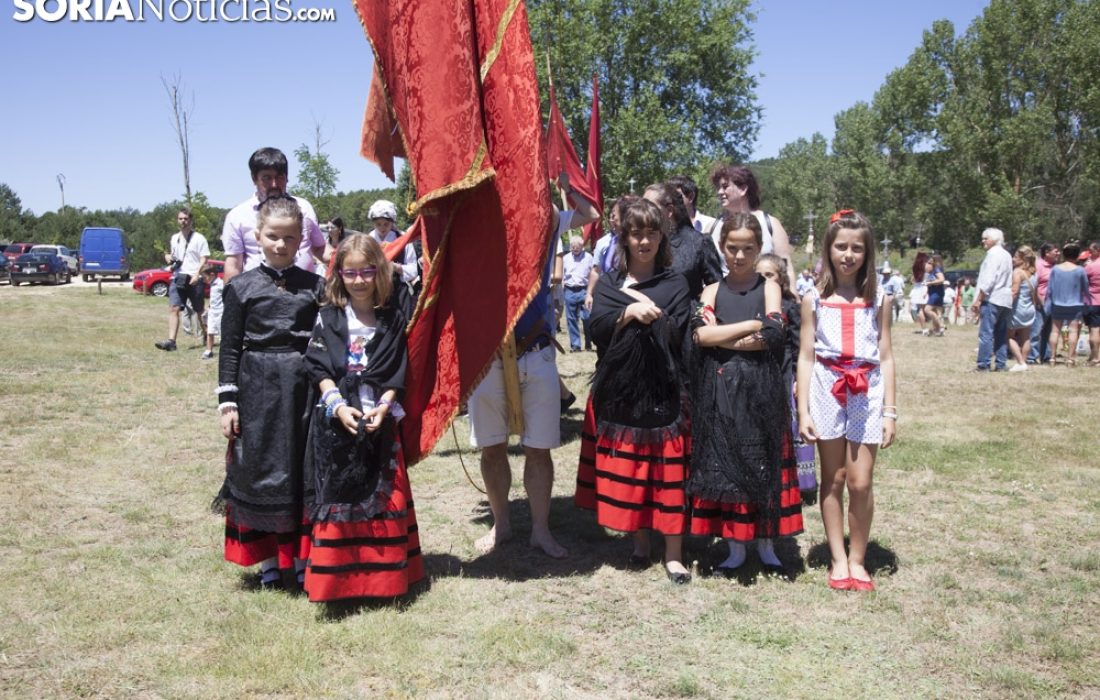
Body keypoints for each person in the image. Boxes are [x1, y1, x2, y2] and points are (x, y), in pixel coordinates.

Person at [468, 179, 598, 558]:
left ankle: (540, 530)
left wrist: (567, 181)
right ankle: (502, 525)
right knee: (493, 448)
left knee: (538, 449)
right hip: (487, 354)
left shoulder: (548, 217)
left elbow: (591, 214)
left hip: (536, 351)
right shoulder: (477, 220)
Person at [575, 198, 693, 584]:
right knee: (635, 472)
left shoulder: (675, 282)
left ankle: (674, 555)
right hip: (622, 394)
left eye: (651, 234)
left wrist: (654, 316)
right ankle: (641, 542)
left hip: (664, 393)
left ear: (662, 237)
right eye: (637, 234)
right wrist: (627, 314)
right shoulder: (609, 284)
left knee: (668, 476)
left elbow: (680, 332)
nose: (644, 241)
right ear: (623, 238)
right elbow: (596, 329)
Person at [300, 234, 424, 601]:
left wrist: (384, 407)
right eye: (350, 273)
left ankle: (384, 581)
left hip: (380, 419)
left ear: (380, 272)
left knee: (386, 496)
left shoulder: (393, 318)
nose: (358, 281)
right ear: (338, 274)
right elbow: (317, 366)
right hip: (337, 419)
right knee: (341, 496)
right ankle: (338, 583)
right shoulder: (328, 317)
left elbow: (397, 371)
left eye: (367, 272)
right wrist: (337, 405)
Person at [214, 196, 326, 589]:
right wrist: (228, 402)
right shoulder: (241, 288)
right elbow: (229, 347)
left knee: (299, 469)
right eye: (273, 236)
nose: (281, 245)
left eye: (290, 238)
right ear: (257, 236)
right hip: (257, 386)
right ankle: (267, 564)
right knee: (262, 470)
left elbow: (329, 339)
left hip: (303, 389)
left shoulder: (316, 287)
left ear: (301, 240)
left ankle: (298, 559)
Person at [689, 213, 802, 574]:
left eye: (747, 248)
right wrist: (753, 325)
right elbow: (700, 337)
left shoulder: (768, 286)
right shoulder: (711, 290)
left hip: (761, 390)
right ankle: (735, 545)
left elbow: (773, 337)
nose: (739, 255)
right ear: (722, 248)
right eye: (732, 248)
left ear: (758, 249)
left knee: (763, 464)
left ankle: (766, 542)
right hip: (720, 389)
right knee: (729, 465)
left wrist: (727, 336)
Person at [797, 209, 896, 592]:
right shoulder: (813, 299)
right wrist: (804, 408)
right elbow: (806, 356)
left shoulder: (880, 298)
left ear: (867, 252)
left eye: (857, 248)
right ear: (829, 250)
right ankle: (838, 559)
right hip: (826, 388)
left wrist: (889, 411)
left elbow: (886, 356)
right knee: (834, 478)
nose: (848, 255)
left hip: (866, 391)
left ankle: (859, 557)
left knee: (860, 481)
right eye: (841, 247)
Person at [758, 253, 817, 504]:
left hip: (784, 377)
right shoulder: (749, 305)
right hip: (757, 377)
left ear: (781, 279)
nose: (764, 281)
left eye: (769, 275)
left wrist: (796, 378)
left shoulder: (790, 308)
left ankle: (799, 484)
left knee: (789, 433)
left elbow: (797, 347)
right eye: (759, 276)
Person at [221, 147, 327, 282]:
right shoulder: (237, 216)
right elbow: (234, 264)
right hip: (258, 294)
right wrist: (231, 298)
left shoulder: (304, 207)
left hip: (304, 293)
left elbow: (319, 247)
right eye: (267, 178)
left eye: (280, 177)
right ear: (254, 179)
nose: (274, 184)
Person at [708, 164, 796, 287]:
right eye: (718, 187)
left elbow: (786, 267)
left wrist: (793, 297)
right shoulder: (714, 227)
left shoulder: (770, 224)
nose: (719, 192)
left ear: (743, 189)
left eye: (725, 187)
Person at [642, 182, 723, 298]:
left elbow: (717, 288)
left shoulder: (699, 243)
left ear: (669, 210)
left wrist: (700, 310)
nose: (643, 212)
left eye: (649, 207)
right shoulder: (643, 243)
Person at [155, 208, 209, 352]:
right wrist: (167, 256)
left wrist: (197, 274)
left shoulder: (199, 238)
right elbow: (174, 256)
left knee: (199, 310)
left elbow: (204, 258)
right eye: (180, 219)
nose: (183, 221)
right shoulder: (175, 238)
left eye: (186, 219)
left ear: (190, 220)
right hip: (179, 277)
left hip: (194, 278)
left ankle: (207, 335)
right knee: (174, 308)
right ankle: (171, 342)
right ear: (177, 220)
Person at [970, 228, 1014, 371]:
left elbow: (989, 280)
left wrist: (978, 299)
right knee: (1001, 333)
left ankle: (984, 364)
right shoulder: (1007, 255)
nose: (983, 241)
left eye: (985, 238)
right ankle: (1001, 363)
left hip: (992, 297)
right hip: (1004, 298)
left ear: (994, 240)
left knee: (986, 333)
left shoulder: (992, 255)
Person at [1046, 240, 1090, 366]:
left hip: (1057, 303)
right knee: (1073, 331)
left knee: (1055, 331)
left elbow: (1050, 288)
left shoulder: (1055, 269)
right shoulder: (1080, 270)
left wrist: (1048, 302)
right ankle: (1070, 358)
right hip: (1075, 304)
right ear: (1076, 255)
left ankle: (1052, 358)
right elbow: (1085, 287)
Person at [366, 200, 419, 288]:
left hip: (397, 291)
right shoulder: (368, 240)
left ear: (392, 222)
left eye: (386, 224)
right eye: (378, 224)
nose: (382, 228)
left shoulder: (402, 239)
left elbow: (413, 270)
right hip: (373, 289)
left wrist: (397, 267)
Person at [1007, 246, 1039, 371]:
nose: (1013, 259)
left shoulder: (1017, 272)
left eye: (1015, 257)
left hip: (1017, 308)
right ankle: (1024, 362)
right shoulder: (1033, 273)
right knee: (1026, 337)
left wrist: (1005, 305)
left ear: (1022, 259)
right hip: (1029, 308)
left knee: (1009, 336)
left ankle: (1020, 362)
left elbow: (1014, 292)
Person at [562, 236, 595, 352]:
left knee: (587, 318)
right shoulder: (565, 258)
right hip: (569, 290)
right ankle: (575, 346)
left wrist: (591, 291)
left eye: (577, 246)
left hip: (584, 290)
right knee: (571, 319)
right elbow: (561, 274)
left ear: (582, 246)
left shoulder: (589, 257)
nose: (574, 248)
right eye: (572, 246)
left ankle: (588, 343)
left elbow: (593, 273)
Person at [1027, 242, 1058, 364]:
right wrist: (1040, 301)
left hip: (1055, 302)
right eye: (1055, 251)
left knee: (1049, 331)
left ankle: (1046, 355)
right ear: (1047, 253)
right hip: (1042, 301)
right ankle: (1031, 357)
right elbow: (1034, 285)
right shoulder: (1038, 265)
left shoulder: (1055, 266)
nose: (1058, 253)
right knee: (1036, 330)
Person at [201, 263, 223, 360]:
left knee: (222, 332)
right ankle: (208, 350)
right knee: (210, 331)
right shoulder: (212, 285)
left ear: (212, 275)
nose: (204, 279)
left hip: (221, 312)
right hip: (212, 311)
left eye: (205, 277)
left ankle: (224, 350)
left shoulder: (221, 284)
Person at [923, 254, 946, 336]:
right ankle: (937, 329)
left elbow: (942, 279)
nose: (928, 262)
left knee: (927, 310)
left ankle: (941, 325)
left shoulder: (937, 270)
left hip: (937, 293)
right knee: (935, 311)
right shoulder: (931, 271)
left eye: (930, 260)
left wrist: (930, 282)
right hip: (933, 292)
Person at [1085, 241, 1100, 366]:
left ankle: (1095, 358)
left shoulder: (1091, 267)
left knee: (1093, 330)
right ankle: (1092, 356)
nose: (1089, 253)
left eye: (1091, 251)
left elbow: (1082, 282)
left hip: (1093, 301)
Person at [909, 252, 929, 334]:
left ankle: (924, 328)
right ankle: (926, 328)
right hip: (924, 287)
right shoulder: (926, 267)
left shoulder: (915, 267)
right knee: (924, 309)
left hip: (916, 288)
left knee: (919, 310)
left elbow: (912, 279)